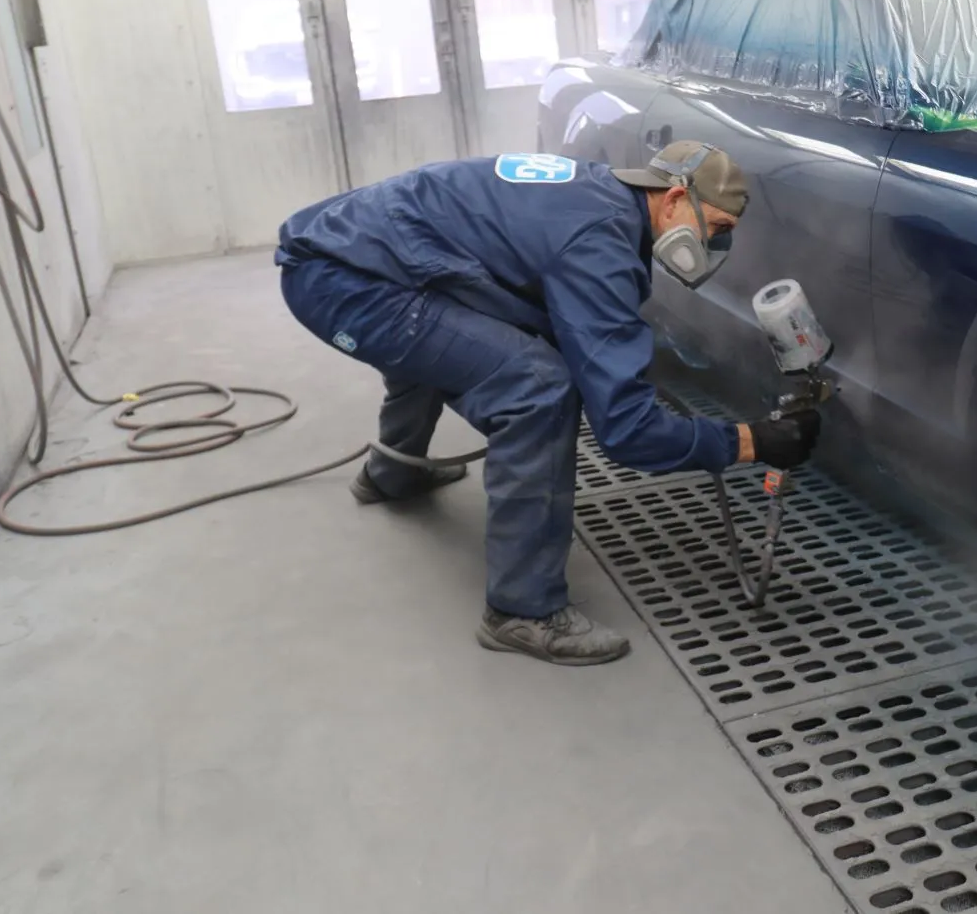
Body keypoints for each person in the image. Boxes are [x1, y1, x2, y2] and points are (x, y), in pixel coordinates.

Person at [275, 142, 822, 666]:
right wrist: (749, 442)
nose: (717, 247)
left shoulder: (601, 197)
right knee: (538, 388)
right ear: (676, 199)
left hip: (356, 252)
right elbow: (627, 434)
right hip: (342, 284)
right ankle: (522, 610)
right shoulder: (597, 244)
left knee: (454, 341)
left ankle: (393, 474)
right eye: (718, 230)